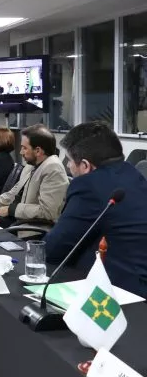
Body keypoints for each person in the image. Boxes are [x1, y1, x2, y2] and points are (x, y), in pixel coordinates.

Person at [43, 123, 147, 297]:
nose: (68, 166)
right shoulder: (133, 173)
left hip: (121, 293)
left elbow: (54, 249)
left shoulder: (88, 186)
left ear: (85, 165)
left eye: (69, 160)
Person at [0, 124, 68, 228]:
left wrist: (11, 209)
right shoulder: (31, 165)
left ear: (38, 151)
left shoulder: (53, 169)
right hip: (15, 221)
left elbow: (47, 212)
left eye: (24, 148)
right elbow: (11, 195)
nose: (21, 152)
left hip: (28, 229)